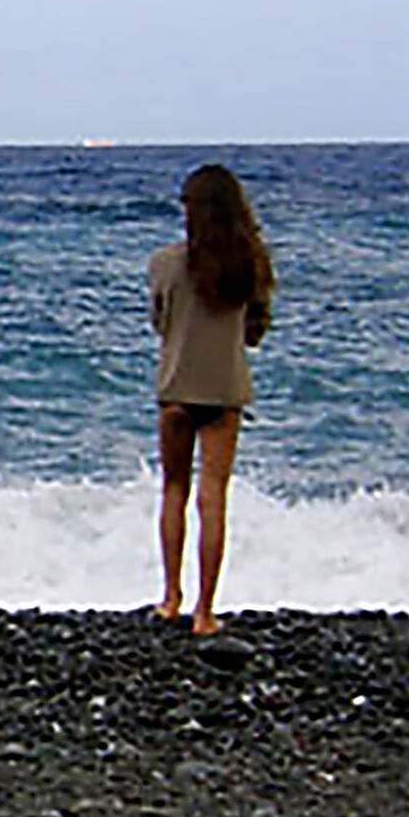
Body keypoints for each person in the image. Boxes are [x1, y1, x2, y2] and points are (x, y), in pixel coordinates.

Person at [148, 164, 273, 636]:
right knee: (213, 497)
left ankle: (170, 597)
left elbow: (159, 323)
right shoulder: (250, 264)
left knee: (173, 491)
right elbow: (256, 331)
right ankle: (205, 611)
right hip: (224, 389)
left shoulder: (164, 263)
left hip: (177, 386)